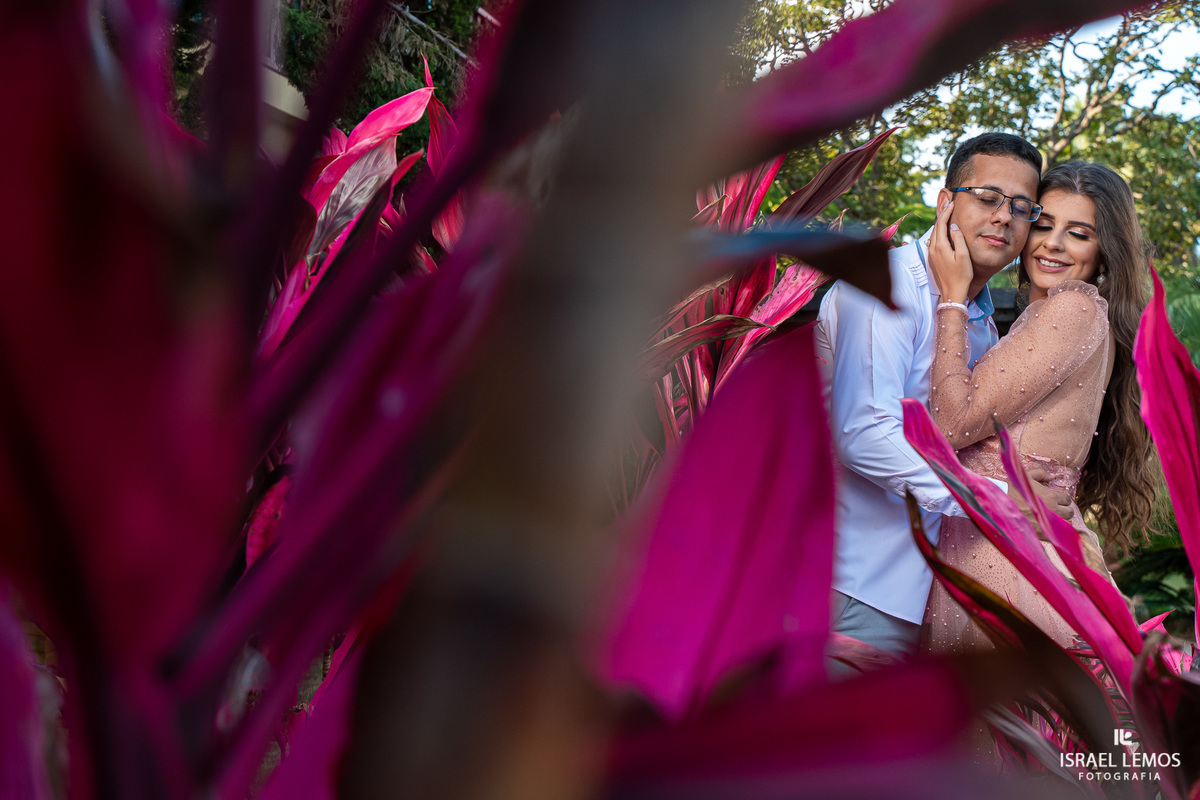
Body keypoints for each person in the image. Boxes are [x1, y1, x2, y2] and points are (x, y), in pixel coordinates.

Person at [814, 132, 1073, 673]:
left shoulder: (979, 321)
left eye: (1021, 207)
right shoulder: (884, 286)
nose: (1003, 217)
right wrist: (1000, 499)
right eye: (988, 197)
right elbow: (865, 434)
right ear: (945, 202)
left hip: (931, 595)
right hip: (854, 584)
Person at [921, 161, 1159, 651]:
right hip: (1005, 550)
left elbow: (951, 425)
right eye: (1044, 225)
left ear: (1104, 252)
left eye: (1079, 234)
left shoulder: (1072, 308)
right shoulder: (1053, 317)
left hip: (1013, 563)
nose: (1053, 244)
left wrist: (952, 298)